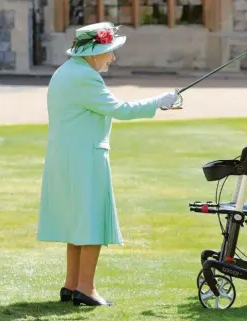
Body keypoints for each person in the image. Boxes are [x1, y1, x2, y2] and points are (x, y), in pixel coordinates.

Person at [36, 22, 179, 306]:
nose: (112, 58)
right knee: (91, 223)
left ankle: (72, 284)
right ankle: (86, 289)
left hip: (66, 157)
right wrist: (160, 102)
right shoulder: (86, 77)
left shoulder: (65, 71)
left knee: (78, 221)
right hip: (85, 157)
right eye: (109, 52)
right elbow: (120, 110)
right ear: (93, 53)